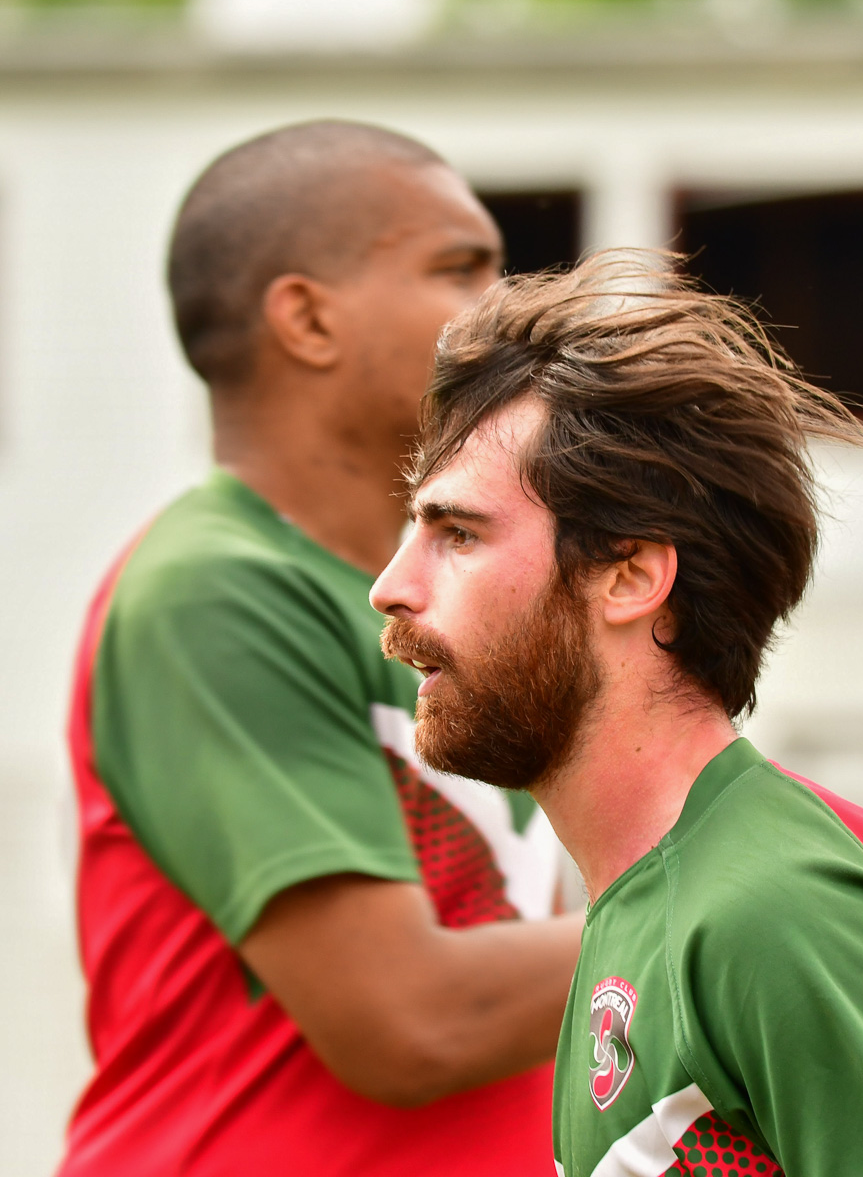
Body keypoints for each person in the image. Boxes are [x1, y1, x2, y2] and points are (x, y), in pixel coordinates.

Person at [370, 251, 863, 1177]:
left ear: (629, 576)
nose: (391, 588)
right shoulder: (656, 903)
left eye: (457, 533)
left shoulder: (773, 911)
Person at [58, 121, 581, 1177]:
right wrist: (741, 923)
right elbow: (408, 1021)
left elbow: (543, 968)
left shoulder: (461, 600)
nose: (508, 304)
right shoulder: (218, 589)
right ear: (306, 317)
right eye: (460, 268)